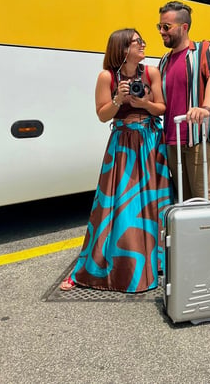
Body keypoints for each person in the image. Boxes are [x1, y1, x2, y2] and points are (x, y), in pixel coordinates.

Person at [60, 28, 173, 292]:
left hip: (150, 140)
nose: (143, 45)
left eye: (142, 41)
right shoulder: (107, 77)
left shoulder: (151, 72)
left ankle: (156, 260)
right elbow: (102, 114)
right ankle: (118, 266)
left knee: (154, 202)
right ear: (123, 48)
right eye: (137, 42)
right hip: (122, 144)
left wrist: (144, 103)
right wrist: (118, 99)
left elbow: (161, 108)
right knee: (118, 205)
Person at [157, 1, 210, 201]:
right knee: (183, 200)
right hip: (173, 141)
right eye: (160, 27)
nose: (162, 31)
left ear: (184, 27)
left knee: (203, 199)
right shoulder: (164, 60)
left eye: (166, 27)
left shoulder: (205, 49)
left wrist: (206, 107)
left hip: (199, 138)